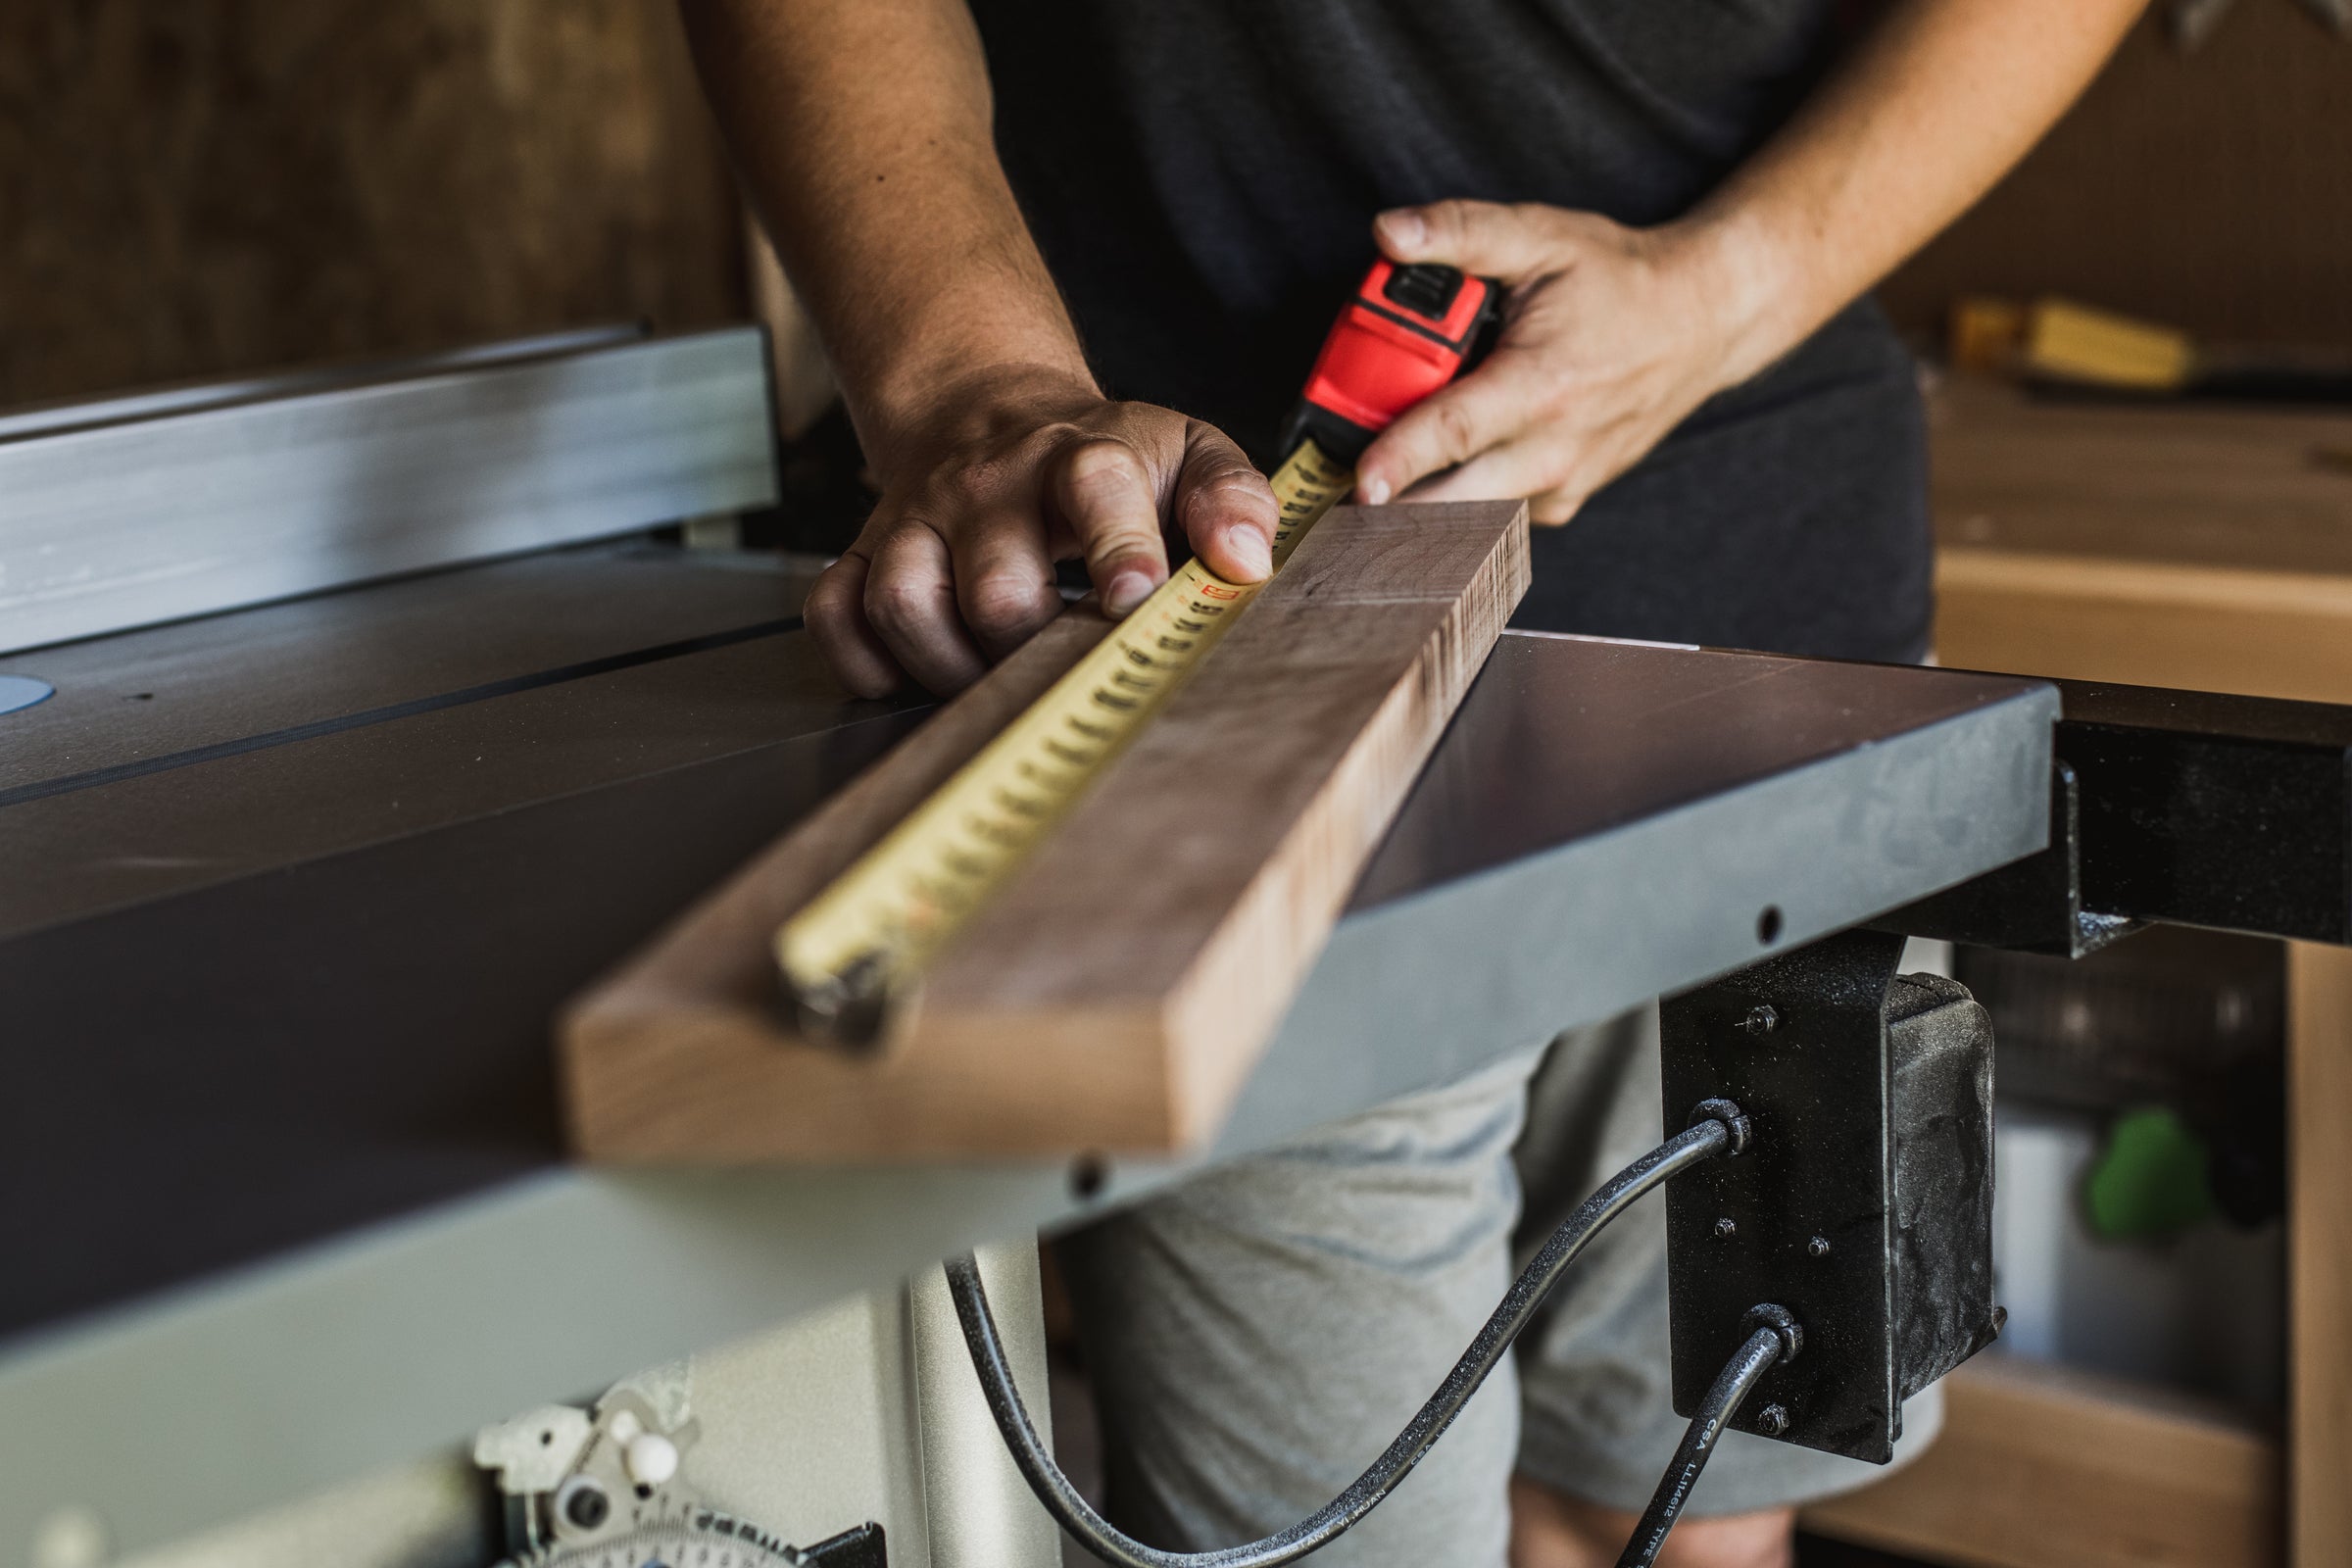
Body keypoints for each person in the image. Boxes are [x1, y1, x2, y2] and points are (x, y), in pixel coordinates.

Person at [683, 3, 2144, 1563]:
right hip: (1194, 642)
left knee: (1685, 1514)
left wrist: (1736, 282)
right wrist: (979, 386)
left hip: (1767, 634)